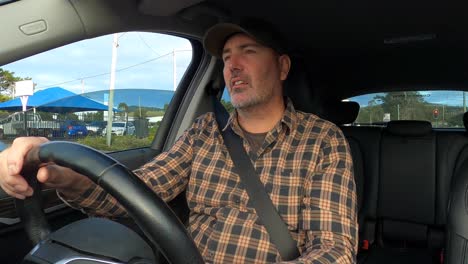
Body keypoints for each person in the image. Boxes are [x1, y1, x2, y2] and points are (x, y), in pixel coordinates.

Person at [0, 19, 358, 263]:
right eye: (227, 57)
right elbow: (137, 191)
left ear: (281, 67)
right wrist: (63, 174)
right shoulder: (204, 132)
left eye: (247, 52)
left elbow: (333, 250)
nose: (232, 66)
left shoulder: (322, 140)